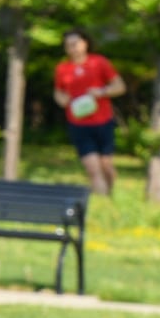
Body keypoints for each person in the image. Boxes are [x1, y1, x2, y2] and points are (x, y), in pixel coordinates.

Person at [53, 29, 124, 197]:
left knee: (106, 166)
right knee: (93, 169)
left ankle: (111, 193)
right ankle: (102, 203)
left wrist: (101, 92)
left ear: (85, 43)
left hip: (103, 121)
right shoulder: (63, 69)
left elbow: (120, 87)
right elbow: (58, 92)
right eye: (68, 45)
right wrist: (62, 99)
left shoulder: (99, 63)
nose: (72, 48)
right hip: (78, 124)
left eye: (75, 43)